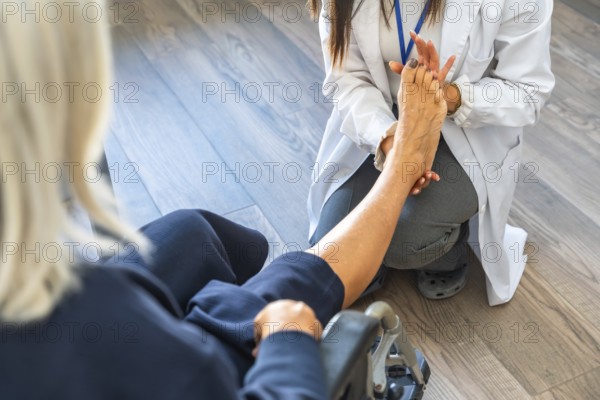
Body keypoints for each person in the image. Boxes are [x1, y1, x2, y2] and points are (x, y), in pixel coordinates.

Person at [0, 1, 448, 398]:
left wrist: (452, 95)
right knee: (274, 295)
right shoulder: (90, 312)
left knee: (191, 232)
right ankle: (400, 171)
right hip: (137, 361)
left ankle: (228, 301)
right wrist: (288, 341)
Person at [307, 0, 555, 302]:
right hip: (383, 117)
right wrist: (391, 140)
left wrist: (448, 97)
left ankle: (450, 246)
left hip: (464, 129)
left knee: (404, 244)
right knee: (331, 253)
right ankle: (385, 250)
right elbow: (346, 79)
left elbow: (529, 91)